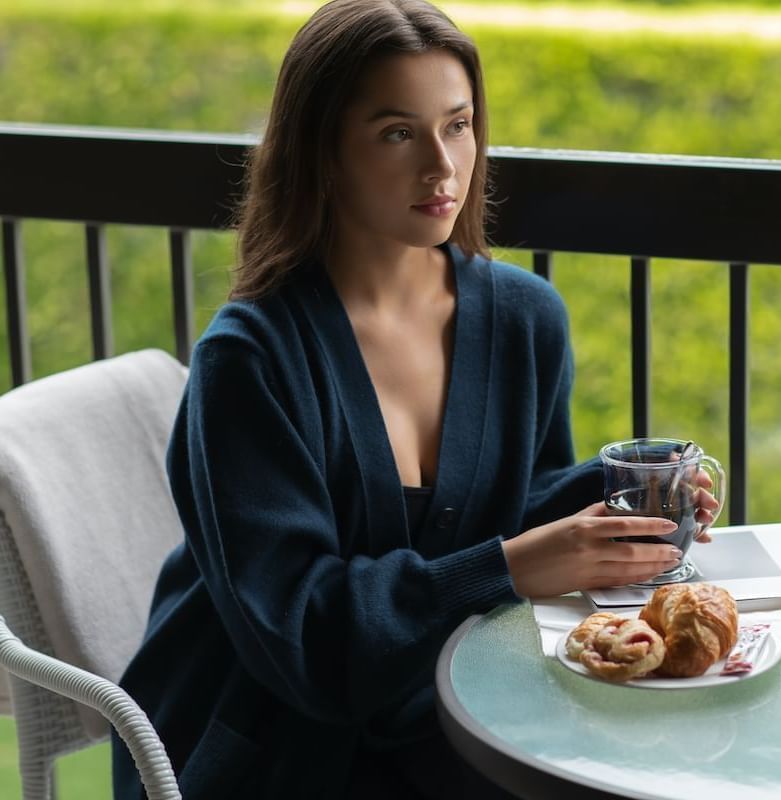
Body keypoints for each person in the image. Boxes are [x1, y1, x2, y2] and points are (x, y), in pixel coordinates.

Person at [113, 1, 717, 797]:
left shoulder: (522, 318)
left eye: (458, 125)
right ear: (322, 152)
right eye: (397, 133)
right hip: (276, 747)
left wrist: (617, 505)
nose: (442, 166)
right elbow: (304, 638)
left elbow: (502, 507)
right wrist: (507, 568)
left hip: (445, 706)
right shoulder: (252, 359)